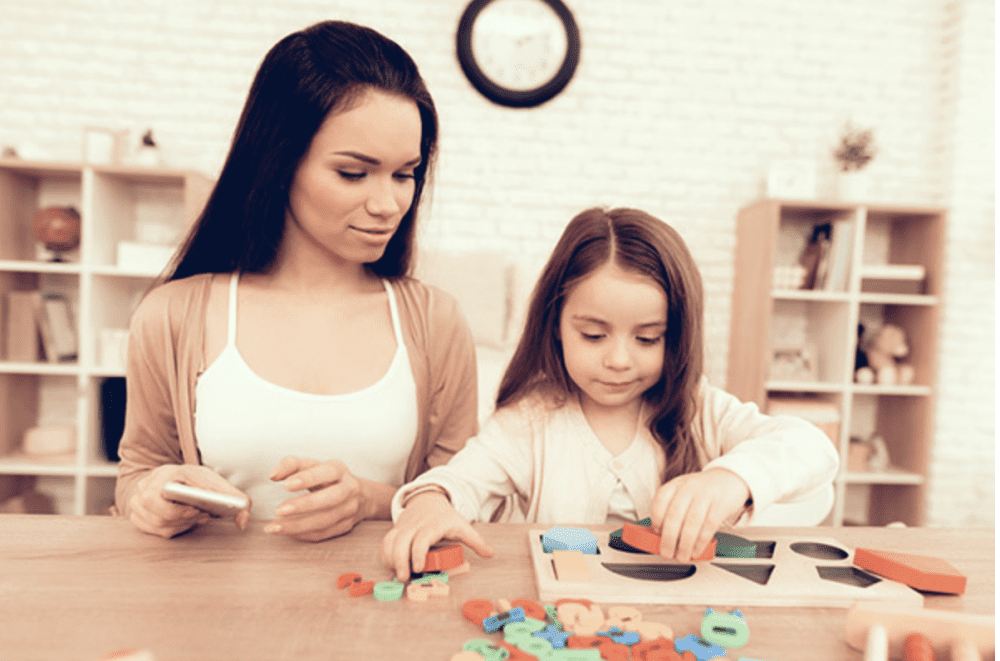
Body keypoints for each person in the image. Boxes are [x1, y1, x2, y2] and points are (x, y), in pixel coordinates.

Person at [115, 20, 479, 542]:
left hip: (379, 612)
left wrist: (368, 500)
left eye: (405, 174)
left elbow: (459, 491)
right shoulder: (172, 315)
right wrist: (151, 495)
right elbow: (136, 475)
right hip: (210, 614)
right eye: (354, 173)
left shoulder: (435, 321)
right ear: (279, 161)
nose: (388, 204)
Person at [381, 207, 839, 580]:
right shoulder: (530, 421)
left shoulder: (697, 408)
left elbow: (813, 448)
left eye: (647, 339)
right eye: (594, 336)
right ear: (557, 325)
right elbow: (461, 480)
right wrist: (429, 503)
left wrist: (731, 480)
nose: (619, 360)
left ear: (676, 336)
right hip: (565, 623)